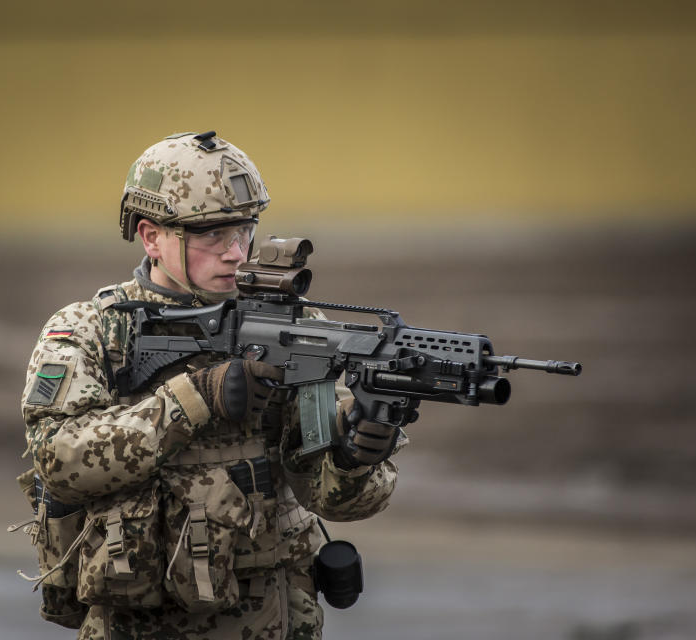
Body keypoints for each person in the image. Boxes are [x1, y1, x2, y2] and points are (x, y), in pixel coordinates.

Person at [20, 131, 408, 640]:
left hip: (277, 620)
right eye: (210, 236)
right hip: (138, 624)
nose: (235, 253)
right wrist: (193, 401)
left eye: (244, 231)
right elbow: (58, 460)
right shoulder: (93, 330)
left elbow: (334, 501)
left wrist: (356, 454)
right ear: (151, 236)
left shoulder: (290, 328)